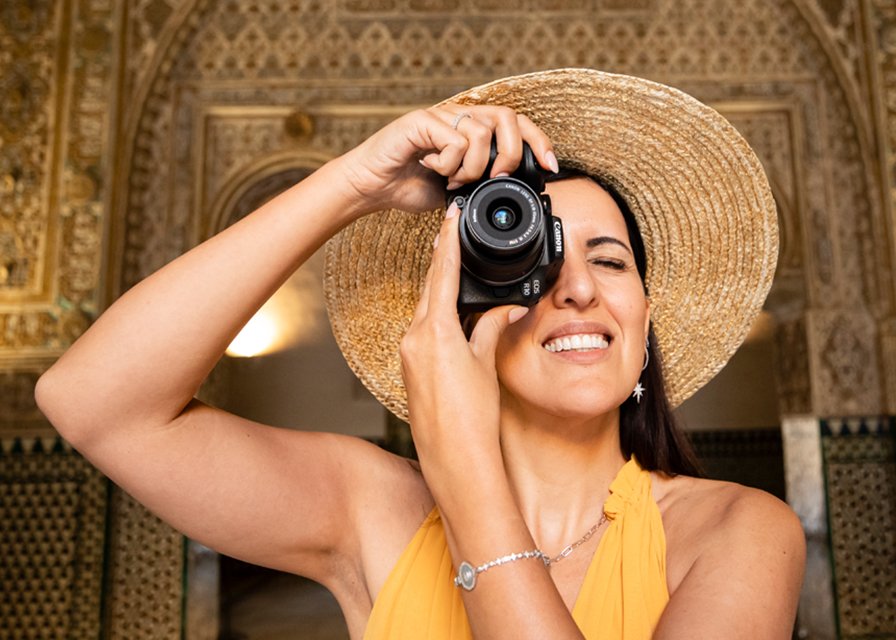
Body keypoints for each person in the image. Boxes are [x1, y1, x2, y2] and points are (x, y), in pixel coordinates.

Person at [36, 69, 805, 639]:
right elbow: (93, 404)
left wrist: (466, 471)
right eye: (537, 263)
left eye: (610, 261)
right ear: (466, 311)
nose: (578, 290)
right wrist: (352, 184)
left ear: (644, 319)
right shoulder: (370, 510)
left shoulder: (741, 532)